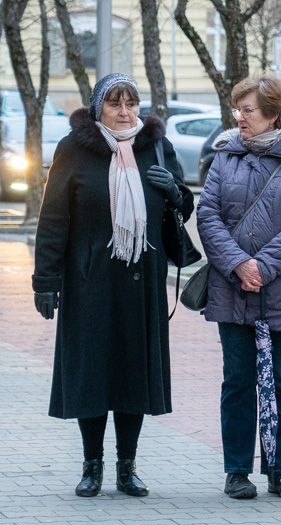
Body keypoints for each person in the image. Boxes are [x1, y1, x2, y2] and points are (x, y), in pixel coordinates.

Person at [32, 73, 194, 497]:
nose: (125, 113)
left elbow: (182, 206)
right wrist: (45, 281)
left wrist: (176, 192)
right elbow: (53, 218)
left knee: (132, 373)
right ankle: (92, 466)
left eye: (131, 104)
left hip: (141, 280)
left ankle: (127, 466)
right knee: (91, 373)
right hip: (89, 280)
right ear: (97, 108)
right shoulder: (74, 149)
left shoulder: (156, 145)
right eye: (115, 104)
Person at [197, 73, 281, 500]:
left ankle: (280, 470)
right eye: (237, 109)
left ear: (274, 113)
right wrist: (238, 264)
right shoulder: (226, 156)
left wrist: (263, 266)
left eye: (248, 110)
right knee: (237, 381)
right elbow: (208, 215)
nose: (239, 118)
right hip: (232, 287)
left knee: (278, 382)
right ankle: (237, 470)